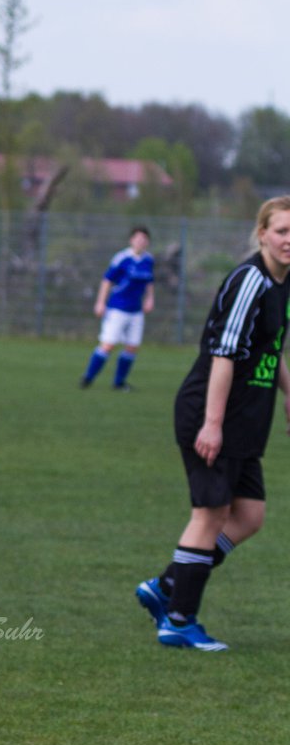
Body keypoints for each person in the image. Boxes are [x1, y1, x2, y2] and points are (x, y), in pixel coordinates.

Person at [135, 197, 290, 651]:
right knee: (210, 515)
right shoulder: (251, 281)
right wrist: (212, 424)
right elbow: (223, 355)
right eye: (281, 230)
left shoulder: (284, 284)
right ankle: (179, 620)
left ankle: (167, 587)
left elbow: (273, 348)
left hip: (246, 419)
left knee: (249, 516)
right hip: (212, 413)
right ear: (261, 234)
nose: (289, 240)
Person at [80, 225, 154, 390]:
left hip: (136, 311)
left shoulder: (148, 260)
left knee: (132, 346)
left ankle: (119, 383)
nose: (141, 241)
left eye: (144, 239)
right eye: (138, 238)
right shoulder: (122, 258)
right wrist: (100, 302)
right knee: (108, 344)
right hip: (117, 308)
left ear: (147, 242)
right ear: (131, 240)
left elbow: (149, 281)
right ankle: (88, 378)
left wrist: (150, 299)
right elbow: (107, 281)